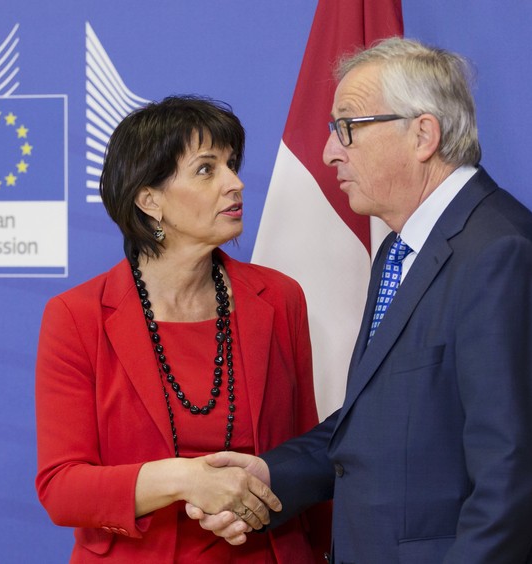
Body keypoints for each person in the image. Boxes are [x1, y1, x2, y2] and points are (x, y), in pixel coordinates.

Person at [188, 38, 532, 563]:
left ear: (423, 134)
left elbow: (513, 474)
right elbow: (383, 417)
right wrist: (272, 474)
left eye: (348, 127)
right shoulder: (399, 248)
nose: (329, 152)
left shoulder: (501, 255)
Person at [35, 95, 330, 562]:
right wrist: (184, 479)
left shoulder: (279, 298)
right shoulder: (77, 315)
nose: (235, 184)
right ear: (150, 200)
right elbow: (62, 487)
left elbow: (311, 455)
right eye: (206, 169)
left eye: (231, 165)